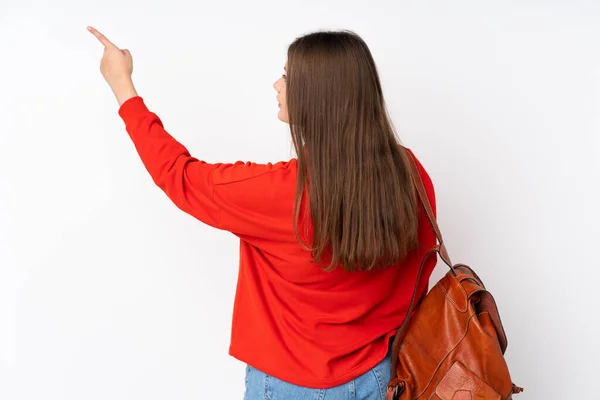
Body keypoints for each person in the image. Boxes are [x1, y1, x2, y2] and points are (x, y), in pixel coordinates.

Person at [87, 26, 438, 400]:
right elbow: (421, 268)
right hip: (381, 378)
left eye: (287, 76)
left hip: (290, 386)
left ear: (317, 95)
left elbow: (178, 175)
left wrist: (123, 87)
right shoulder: (410, 174)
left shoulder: (281, 193)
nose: (277, 84)